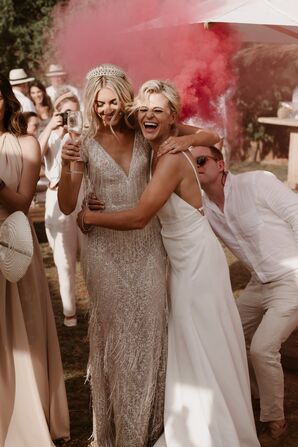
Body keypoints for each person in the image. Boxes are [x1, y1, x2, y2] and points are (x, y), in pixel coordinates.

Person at [76, 79, 260, 447]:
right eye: (143, 110)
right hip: (182, 260)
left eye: (158, 111)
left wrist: (89, 219)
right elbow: (211, 135)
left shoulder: (172, 159)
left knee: (200, 342)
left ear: (172, 117)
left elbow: (140, 217)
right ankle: (202, 418)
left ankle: (210, 429)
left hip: (196, 263)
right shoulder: (156, 141)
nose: (148, 116)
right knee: (193, 342)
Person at [58, 64, 220, 446]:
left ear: (125, 99)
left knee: (150, 335)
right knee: (118, 339)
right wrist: (67, 165)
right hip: (104, 253)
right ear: (90, 102)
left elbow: (213, 136)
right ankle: (116, 431)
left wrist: (183, 142)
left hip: (149, 246)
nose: (106, 110)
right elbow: (67, 204)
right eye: (99, 103)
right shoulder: (81, 143)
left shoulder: (144, 129)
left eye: (114, 101)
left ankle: (149, 428)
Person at [191, 144, 298, 447]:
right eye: (190, 162)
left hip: (292, 279)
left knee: (262, 349)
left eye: (202, 159)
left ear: (220, 164)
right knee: (228, 336)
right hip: (258, 284)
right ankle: (254, 398)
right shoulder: (203, 207)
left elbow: (296, 214)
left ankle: (275, 421)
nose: (195, 165)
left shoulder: (258, 182)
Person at [0, 74, 69, 445]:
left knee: (23, 334)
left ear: (5, 99)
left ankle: (27, 416)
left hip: (14, 247)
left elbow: (24, 203)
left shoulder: (26, 143)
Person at [39, 88, 82, 327]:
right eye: (65, 113)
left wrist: (77, 131)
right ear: (57, 113)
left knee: (91, 255)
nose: (69, 117)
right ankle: (69, 313)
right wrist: (50, 126)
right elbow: (35, 155)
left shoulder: (82, 134)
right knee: (63, 259)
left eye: (74, 113)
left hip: (82, 194)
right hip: (56, 196)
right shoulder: (50, 135)